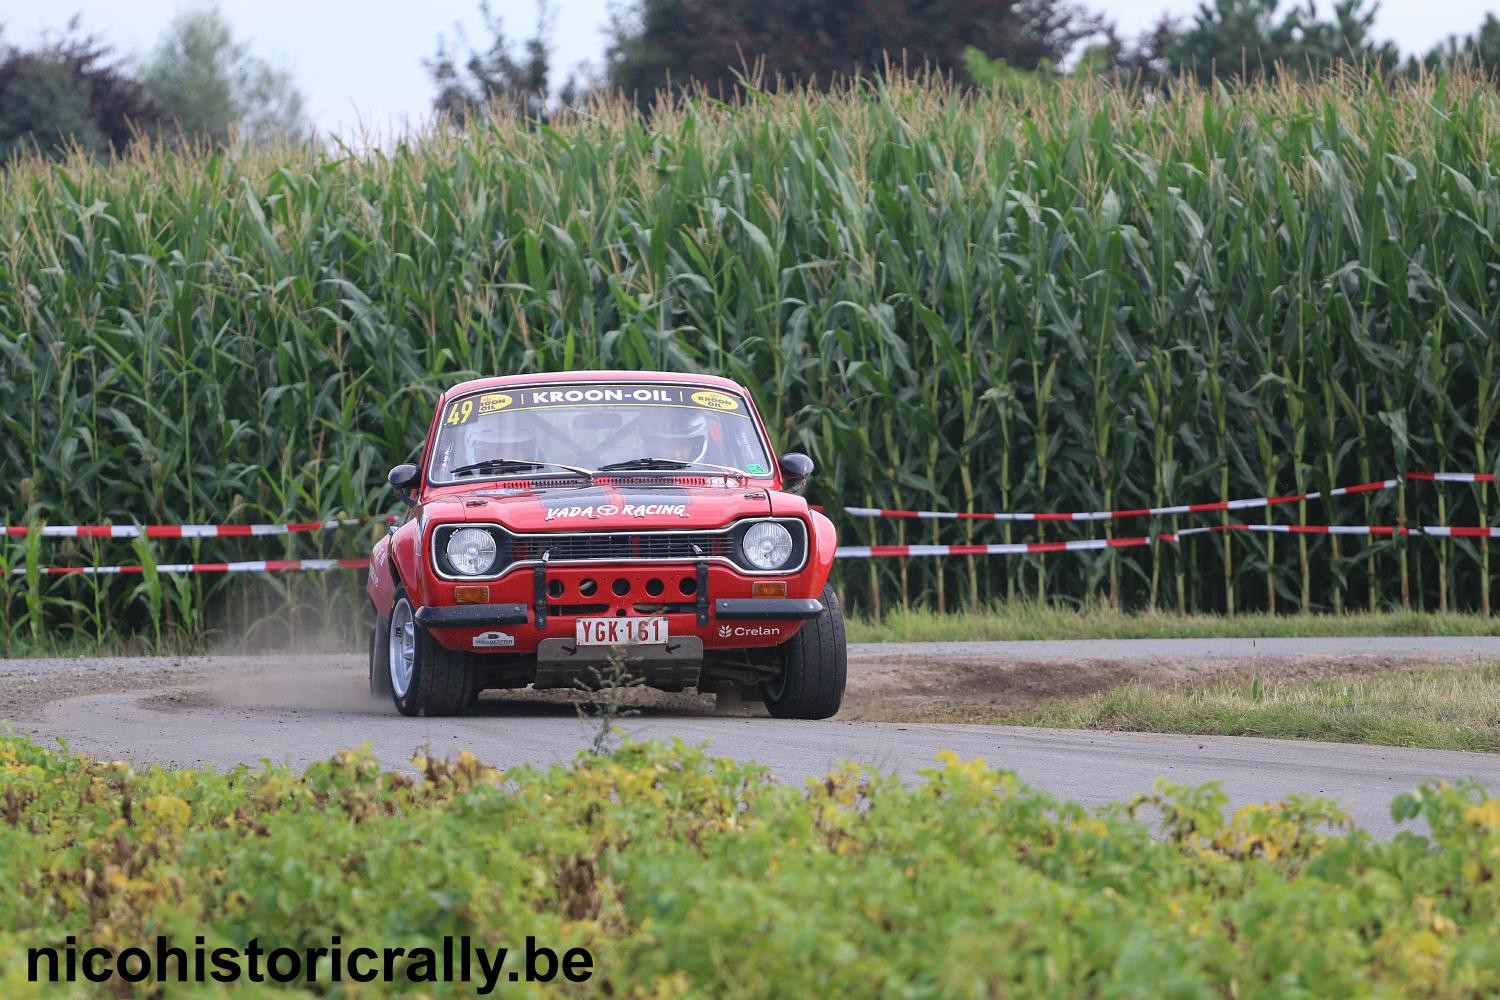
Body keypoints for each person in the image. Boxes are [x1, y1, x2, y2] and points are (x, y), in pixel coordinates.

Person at [640, 408, 708, 464]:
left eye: (683, 444)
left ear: (692, 447)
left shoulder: (710, 472)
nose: (676, 454)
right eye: (668, 444)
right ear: (654, 446)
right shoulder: (636, 472)